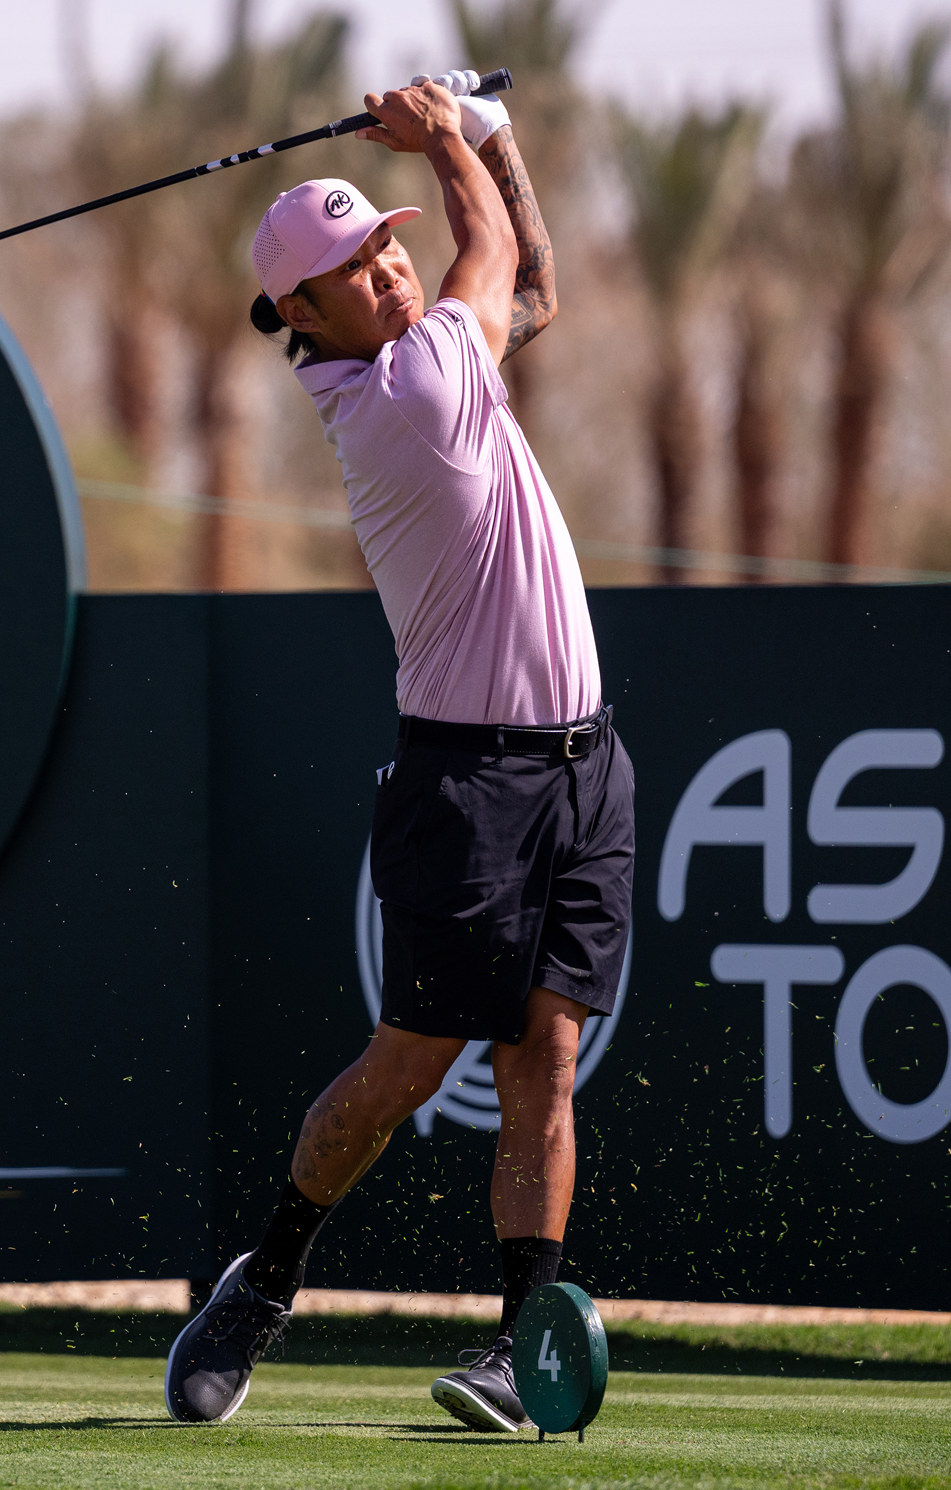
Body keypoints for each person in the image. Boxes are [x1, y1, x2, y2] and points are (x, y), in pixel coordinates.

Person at [163, 73, 632, 1432]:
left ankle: (515, 1347)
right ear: (294, 320)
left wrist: (495, 141)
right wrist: (450, 137)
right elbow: (492, 258)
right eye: (348, 271)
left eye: (384, 243)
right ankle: (267, 1276)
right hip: (469, 783)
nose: (384, 268)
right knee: (408, 1068)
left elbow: (534, 283)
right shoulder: (404, 399)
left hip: (583, 767)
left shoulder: (444, 352)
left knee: (544, 1054)